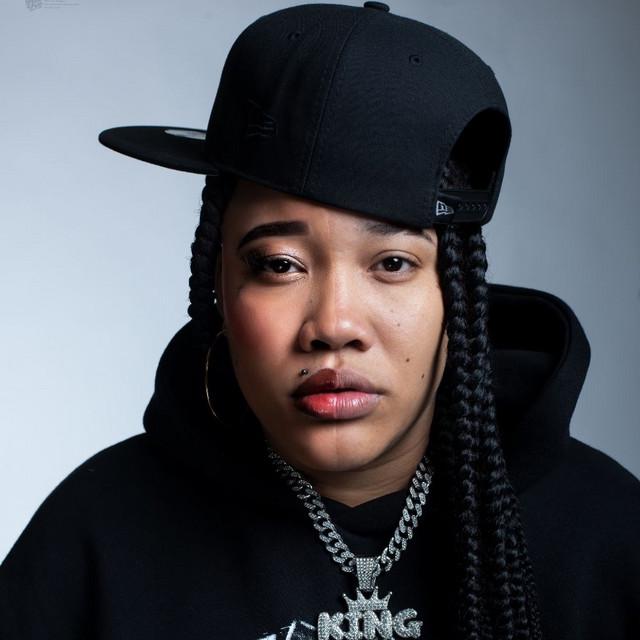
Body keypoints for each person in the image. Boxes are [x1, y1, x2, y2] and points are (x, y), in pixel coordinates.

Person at [1, 2, 639, 639]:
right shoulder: (94, 540)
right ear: (219, 281)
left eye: (392, 263)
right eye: (279, 265)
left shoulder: (609, 535)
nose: (334, 324)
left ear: (458, 294)